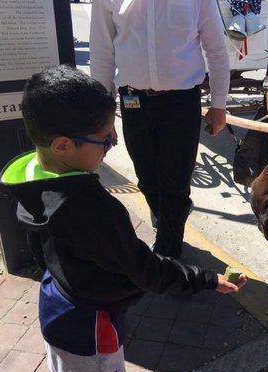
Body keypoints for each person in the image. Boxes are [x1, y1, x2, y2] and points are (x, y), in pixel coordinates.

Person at [0, 66, 246, 372]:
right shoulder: (93, 210)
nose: (112, 144)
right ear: (62, 145)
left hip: (56, 305)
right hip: (92, 328)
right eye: (104, 138)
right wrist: (207, 279)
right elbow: (145, 270)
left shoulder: (36, 179)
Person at [90, 0, 230, 259]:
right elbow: (101, 53)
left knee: (175, 182)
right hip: (133, 102)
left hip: (181, 102)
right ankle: (173, 216)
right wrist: (104, 116)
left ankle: (168, 254)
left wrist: (219, 105)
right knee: (147, 178)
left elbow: (216, 49)